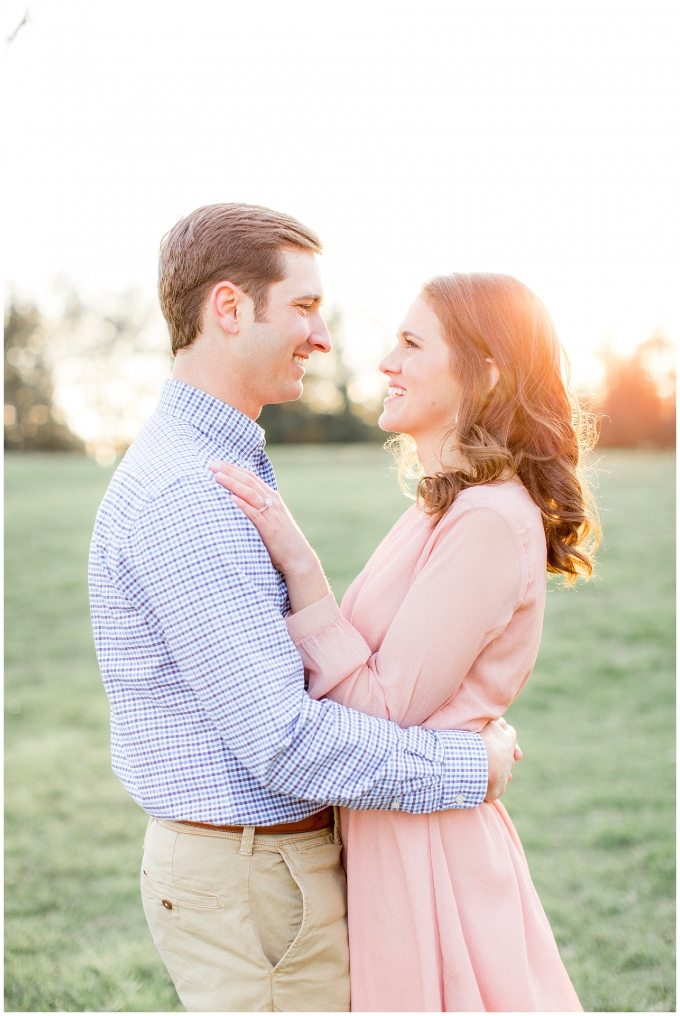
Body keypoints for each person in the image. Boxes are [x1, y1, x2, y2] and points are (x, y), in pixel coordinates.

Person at [88, 204, 520, 1013]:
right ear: (228, 308)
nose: (322, 337)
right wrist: (471, 768)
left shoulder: (217, 462)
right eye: (303, 307)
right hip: (255, 883)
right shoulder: (188, 494)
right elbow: (282, 743)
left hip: (262, 875)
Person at [213, 271, 599, 1012]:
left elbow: (379, 711)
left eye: (412, 343)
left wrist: (301, 568)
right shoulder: (443, 505)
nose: (386, 361)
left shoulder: (486, 520)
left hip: (429, 856)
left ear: (484, 372)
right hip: (394, 829)